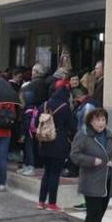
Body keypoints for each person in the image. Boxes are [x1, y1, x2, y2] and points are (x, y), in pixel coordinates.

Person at [71, 108, 112, 222]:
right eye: (97, 120)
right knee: (94, 212)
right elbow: (75, 155)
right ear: (90, 122)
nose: (101, 123)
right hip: (91, 180)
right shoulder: (83, 135)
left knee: (99, 211)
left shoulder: (110, 134)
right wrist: (92, 161)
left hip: (108, 179)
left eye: (103, 120)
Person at [37, 80, 72, 211]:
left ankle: (41, 201)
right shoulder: (65, 106)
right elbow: (72, 125)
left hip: (45, 142)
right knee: (55, 174)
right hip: (59, 143)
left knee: (46, 172)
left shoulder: (44, 104)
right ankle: (52, 203)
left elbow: (37, 121)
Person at [20, 63, 48, 176]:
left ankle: (30, 165)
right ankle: (34, 163)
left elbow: (26, 100)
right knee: (35, 141)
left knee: (29, 141)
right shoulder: (44, 84)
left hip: (31, 115)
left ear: (36, 72)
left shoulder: (31, 85)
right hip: (39, 114)